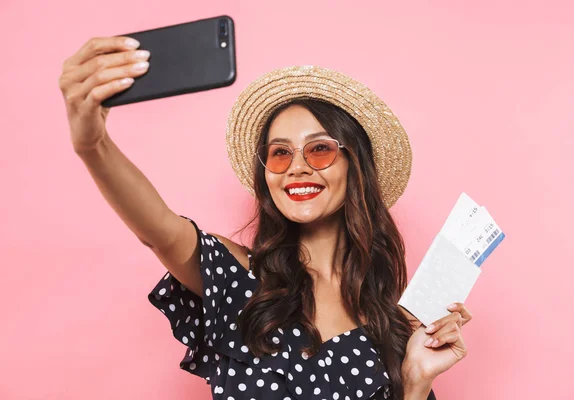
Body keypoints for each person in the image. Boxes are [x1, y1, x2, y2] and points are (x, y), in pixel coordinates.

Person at [59, 36, 474, 400]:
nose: (297, 167)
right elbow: (158, 230)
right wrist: (92, 145)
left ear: (354, 166)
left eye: (319, 149)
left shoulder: (391, 322)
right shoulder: (234, 274)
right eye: (280, 153)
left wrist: (416, 383)